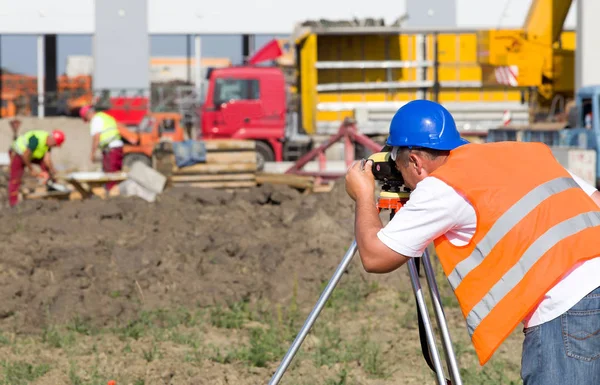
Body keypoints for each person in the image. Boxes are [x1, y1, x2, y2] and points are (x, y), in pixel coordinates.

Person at [345, 99, 600, 385]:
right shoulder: (520, 152)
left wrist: (364, 194)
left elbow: (375, 257)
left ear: (415, 162)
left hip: (568, 307)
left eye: (399, 165)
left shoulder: (442, 186)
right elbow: (595, 201)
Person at [8, 129, 65, 206]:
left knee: (46, 167)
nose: (54, 147)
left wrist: (52, 170)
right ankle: (13, 203)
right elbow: (25, 155)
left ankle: (52, 186)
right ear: (53, 140)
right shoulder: (35, 140)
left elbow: (47, 160)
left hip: (30, 155)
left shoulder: (48, 144)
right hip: (18, 153)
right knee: (15, 178)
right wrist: (31, 169)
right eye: (55, 145)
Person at [79, 105, 124, 190]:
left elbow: (96, 137)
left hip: (111, 149)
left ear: (88, 114)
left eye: (86, 119)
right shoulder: (104, 117)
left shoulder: (96, 120)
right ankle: (116, 192)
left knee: (110, 175)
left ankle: (111, 194)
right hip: (116, 147)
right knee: (116, 174)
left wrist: (92, 153)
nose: (88, 121)